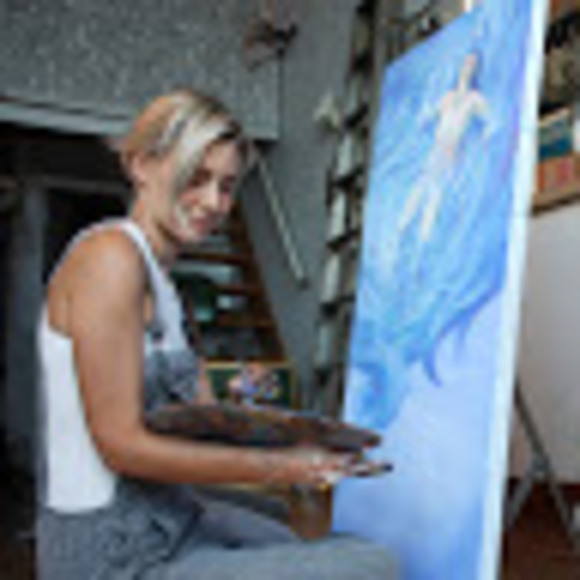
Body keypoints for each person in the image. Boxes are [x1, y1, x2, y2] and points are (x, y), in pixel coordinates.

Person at [36, 89, 397, 579]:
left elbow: (196, 415)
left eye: (226, 186)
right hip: (113, 553)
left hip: (168, 516)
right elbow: (120, 445)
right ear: (141, 165)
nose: (213, 202)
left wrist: (276, 427)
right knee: (373, 565)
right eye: (196, 177)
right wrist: (286, 467)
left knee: (286, 524)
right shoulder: (109, 257)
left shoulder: (165, 285)